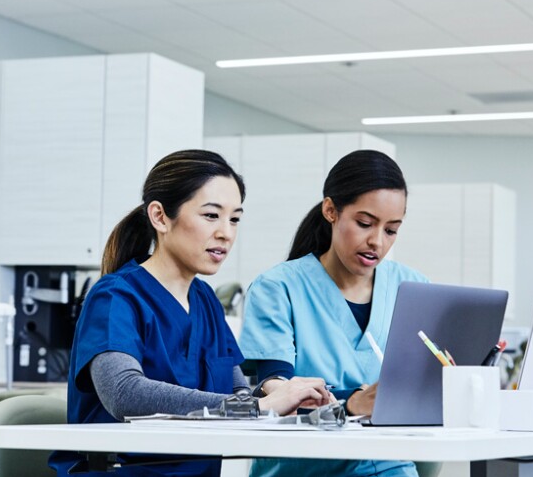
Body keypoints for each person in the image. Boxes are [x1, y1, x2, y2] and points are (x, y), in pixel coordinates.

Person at [50, 149, 331, 477]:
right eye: (211, 215)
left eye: (235, 218)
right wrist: (256, 407)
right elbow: (124, 392)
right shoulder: (116, 296)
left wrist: (285, 399)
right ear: (160, 217)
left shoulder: (205, 300)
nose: (226, 232)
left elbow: (234, 392)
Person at [239, 149, 428, 477]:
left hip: (390, 467)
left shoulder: (412, 287)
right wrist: (353, 403)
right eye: (364, 223)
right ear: (331, 210)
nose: (377, 242)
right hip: (302, 469)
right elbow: (278, 394)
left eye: (391, 230)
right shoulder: (278, 288)